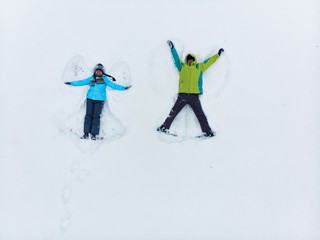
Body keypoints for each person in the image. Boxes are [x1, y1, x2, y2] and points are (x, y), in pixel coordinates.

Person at [157, 40, 224, 137]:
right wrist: (172, 48)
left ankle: (207, 131)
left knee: (200, 115)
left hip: (194, 96)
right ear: (186, 60)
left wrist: (217, 55)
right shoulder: (182, 67)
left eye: (191, 59)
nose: (190, 61)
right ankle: (164, 127)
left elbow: (209, 62)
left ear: (194, 60)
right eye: (188, 59)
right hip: (183, 95)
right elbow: (176, 59)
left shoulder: (199, 67)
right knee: (173, 112)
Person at [65, 63, 131, 140]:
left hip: (99, 101)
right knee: (88, 116)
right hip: (90, 99)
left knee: (96, 117)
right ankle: (86, 133)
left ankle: (93, 134)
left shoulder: (105, 79)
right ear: (95, 71)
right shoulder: (92, 78)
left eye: (100, 71)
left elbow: (113, 85)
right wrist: (71, 83)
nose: (98, 72)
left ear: (102, 72)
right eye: (97, 71)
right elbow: (82, 82)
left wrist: (123, 88)